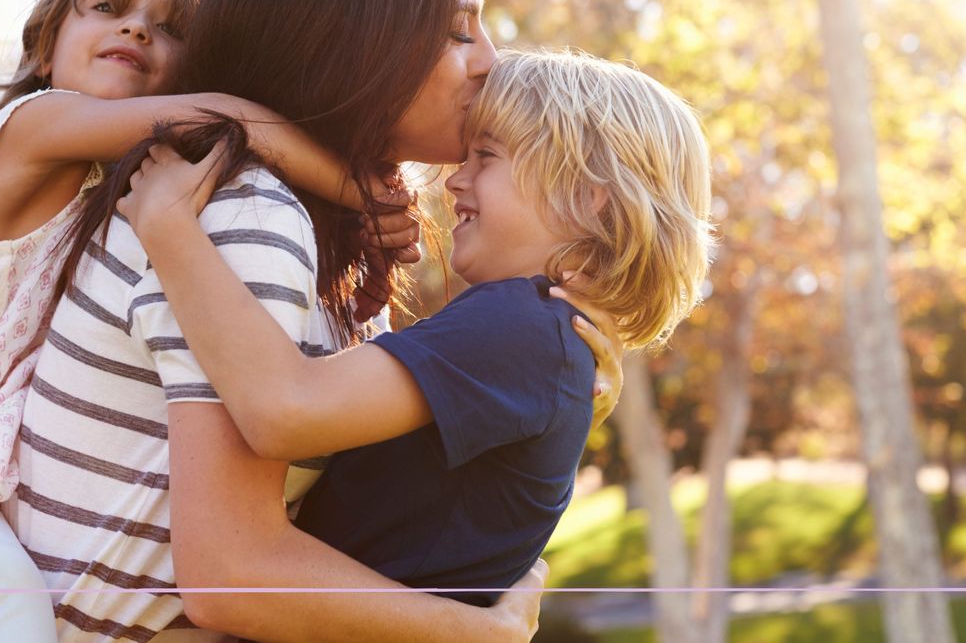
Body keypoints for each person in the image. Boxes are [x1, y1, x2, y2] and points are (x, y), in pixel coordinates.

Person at [9, 0, 621, 642]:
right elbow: (232, 574)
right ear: (356, 37)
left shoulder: (306, 230)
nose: (488, 60)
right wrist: (478, 633)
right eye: (459, 28)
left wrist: (539, 381)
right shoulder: (246, 214)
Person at [0, 0, 391, 643]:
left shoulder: (115, 193)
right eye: (109, 8)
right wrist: (362, 197)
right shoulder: (30, 128)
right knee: (0, 595)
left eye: (169, 26)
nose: (138, 28)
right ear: (44, 51)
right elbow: (225, 121)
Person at [121, 48, 714, 606]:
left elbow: (284, 408)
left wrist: (168, 226)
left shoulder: (520, 324)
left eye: (487, 156)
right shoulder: (546, 339)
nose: (456, 179)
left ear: (589, 201)